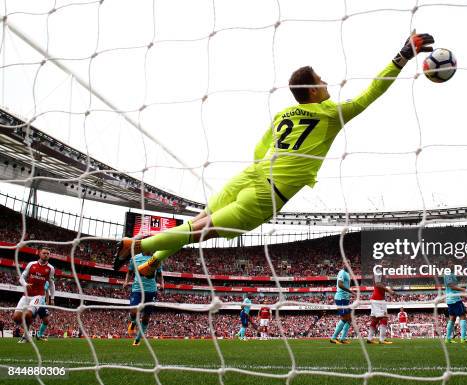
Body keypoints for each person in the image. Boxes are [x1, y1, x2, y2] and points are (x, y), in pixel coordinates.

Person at [112, 32, 436, 277]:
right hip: (269, 192)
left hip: (250, 176)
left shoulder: (284, 115)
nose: (326, 84)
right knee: (202, 231)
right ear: (312, 91)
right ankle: (137, 245)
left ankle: (154, 261)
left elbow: (258, 149)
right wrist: (403, 55)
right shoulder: (330, 112)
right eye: (321, 81)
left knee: (197, 222)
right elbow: (371, 93)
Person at [13, 247, 55, 343]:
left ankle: (26, 336)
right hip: (26, 295)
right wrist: (25, 284)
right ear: (39, 254)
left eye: (48, 253)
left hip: (38, 296)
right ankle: (28, 333)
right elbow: (22, 277)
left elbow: (52, 284)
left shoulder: (51, 268)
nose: (46, 255)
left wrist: (52, 298)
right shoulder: (31, 264)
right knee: (16, 317)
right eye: (44, 253)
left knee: (28, 314)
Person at [123, 252, 164, 346]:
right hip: (137, 289)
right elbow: (130, 272)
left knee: (146, 318)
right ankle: (133, 323)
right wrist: (126, 282)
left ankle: (138, 339)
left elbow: (159, 274)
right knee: (133, 311)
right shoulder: (135, 258)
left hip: (151, 291)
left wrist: (162, 284)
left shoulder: (156, 259)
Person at [443, 262, 467, 344]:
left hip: (451, 299)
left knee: (452, 318)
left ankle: (448, 338)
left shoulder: (451, 274)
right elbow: (451, 286)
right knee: (463, 316)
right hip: (454, 299)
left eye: (452, 264)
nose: (452, 265)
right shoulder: (448, 274)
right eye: (449, 263)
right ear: (447, 265)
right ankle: (463, 338)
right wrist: (463, 290)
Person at [367, 271, 395, 344]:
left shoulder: (381, 275)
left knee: (376, 319)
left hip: (377, 299)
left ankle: (370, 338)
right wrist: (388, 290)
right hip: (378, 300)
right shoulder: (378, 273)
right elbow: (378, 284)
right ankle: (382, 339)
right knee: (384, 318)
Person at [330, 264, 354, 344]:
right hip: (341, 298)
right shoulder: (342, 272)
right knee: (345, 318)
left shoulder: (347, 273)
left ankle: (342, 338)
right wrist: (350, 291)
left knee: (349, 319)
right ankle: (333, 338)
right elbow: (340, 284)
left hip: (345, 298)